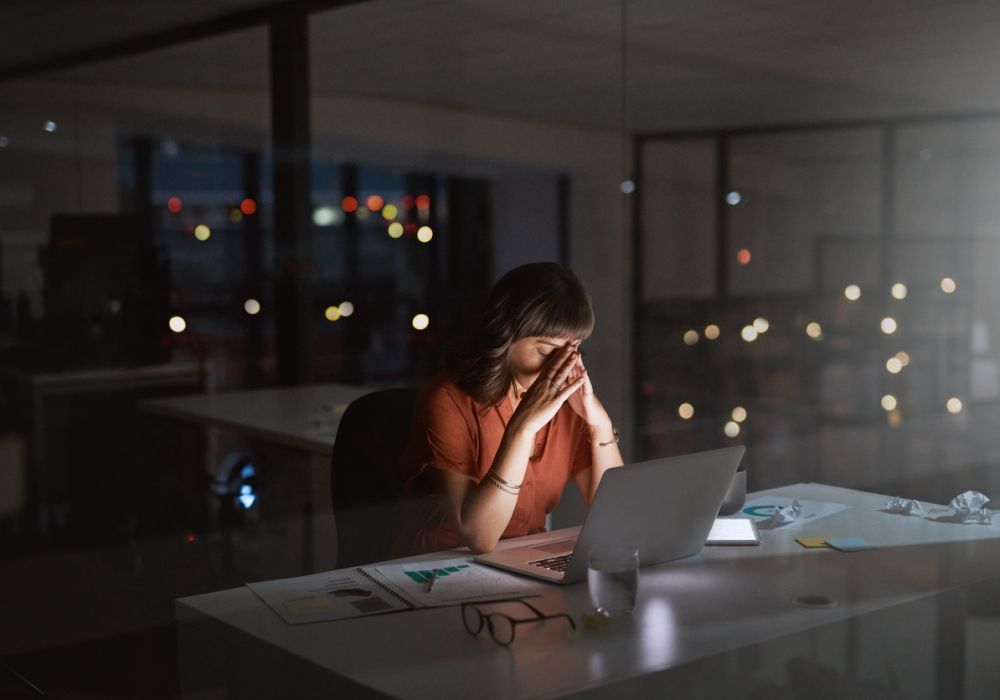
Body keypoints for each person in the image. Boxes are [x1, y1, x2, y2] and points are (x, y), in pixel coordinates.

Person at [398, 262, 624, 554]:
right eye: (548, 350)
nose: (562, 365)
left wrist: (599, 423)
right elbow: (478, 537)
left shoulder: (569, 407)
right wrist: (524, 427)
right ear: (506, 334)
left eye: (574, 349)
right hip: (438, 568)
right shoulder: (446, 400)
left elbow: (616, 516)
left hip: (521, 561)